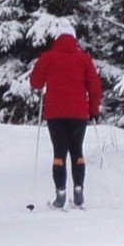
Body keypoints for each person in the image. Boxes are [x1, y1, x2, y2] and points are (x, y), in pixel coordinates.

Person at [28, 19, 103, 209]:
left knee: (59, 152)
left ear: (57, 37)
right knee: (77, 150)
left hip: (55, 113)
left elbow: (35, 82)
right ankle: (78, 192)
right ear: (74, 38)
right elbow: (95, 87)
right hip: (79, 113)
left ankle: (60, 194)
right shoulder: (84, 59)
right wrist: (94, 110)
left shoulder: (48, 57)